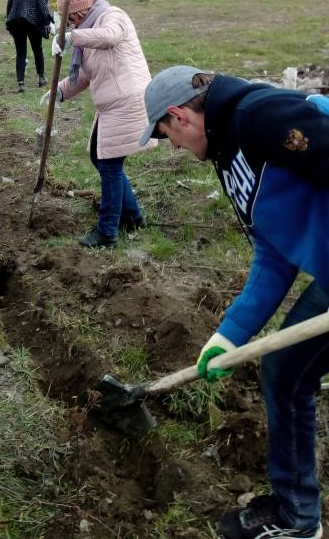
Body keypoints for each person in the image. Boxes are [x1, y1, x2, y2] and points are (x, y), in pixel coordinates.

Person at [139, 65, 329, 539]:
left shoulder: (258, 117)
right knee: (285, 373)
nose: (177, 149)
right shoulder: (229, 156)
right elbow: (272, 255)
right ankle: (296, 510)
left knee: (286, 374)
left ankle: (297, 521)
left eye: (167, 137)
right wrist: (228, 336)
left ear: (179, 116)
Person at [42, 0, 154, 247]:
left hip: (128, 101)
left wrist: (72, 37)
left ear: (79, 12)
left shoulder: (112, 17)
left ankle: (107, 232)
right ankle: (132, 216)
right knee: (100, 158)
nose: (69, 26)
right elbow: (83, 76)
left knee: (109, 165)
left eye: (70, 21)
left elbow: (110, 37)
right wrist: (59, 92)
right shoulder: (88, 29)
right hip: (113, 104)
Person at [5, 0, 53, 93]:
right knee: (37, 50)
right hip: (32, 22)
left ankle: (20, 83)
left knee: (21, 53)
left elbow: (9, 6)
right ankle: (41, 78)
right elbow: (42, 6)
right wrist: (48, 21)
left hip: (15, 22)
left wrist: (8, 23)